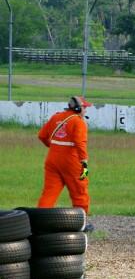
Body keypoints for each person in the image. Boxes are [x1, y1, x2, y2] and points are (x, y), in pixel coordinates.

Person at [37, 96, 93, 230]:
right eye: (84, 107)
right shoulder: (79, 122)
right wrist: (84, 164)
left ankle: (39, 223)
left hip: (52, 159)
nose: (86, 110)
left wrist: (55, 148)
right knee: (80, 191)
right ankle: (81, 223)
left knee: (49, 193)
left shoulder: (56, 117)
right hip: (72, 162)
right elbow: (80, 144)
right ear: (78, 108)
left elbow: (42, 136)